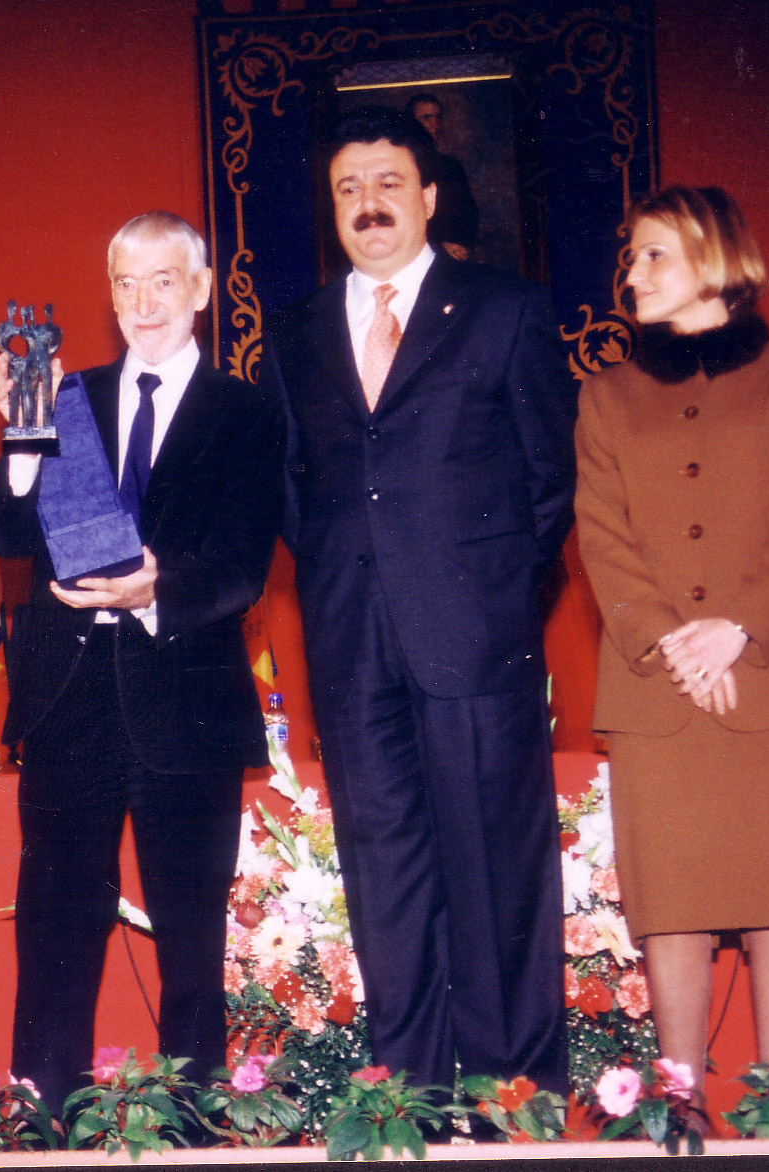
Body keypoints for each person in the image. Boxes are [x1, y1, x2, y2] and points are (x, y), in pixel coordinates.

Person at [258, 107, 575, 1095]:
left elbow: (549, 482)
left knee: (496, 874)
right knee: (385, 877)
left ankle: (513, 1100)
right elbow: (292, 487)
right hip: (352, 645)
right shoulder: (297, 330)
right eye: (348, 188)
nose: (369, 205)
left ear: (430, 197)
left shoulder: (505, 309)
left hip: (477, 639)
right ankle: (414, 1098)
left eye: (389, 183)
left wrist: (489, 595)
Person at [0, 211, 284, 1109]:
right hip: (67, 699)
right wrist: (25, 435)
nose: (144, 303)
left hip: (187, 700)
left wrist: (155, 590)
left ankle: (192, 1126)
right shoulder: (65, 394)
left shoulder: (247, 411)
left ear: (201, 290)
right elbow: (7, 531)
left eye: (163, 281)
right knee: (54, 936)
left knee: (192, 944)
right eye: (126, 284)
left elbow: (243, 567)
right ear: (109, 296)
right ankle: (46, 1126)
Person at [574, 186, 769, 1117]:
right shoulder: (606, 396)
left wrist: (737, 628)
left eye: (653, 254)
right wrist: (669, 640)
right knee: (673, 909)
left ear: (715, 258)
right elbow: (601, 534)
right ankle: (676, 1114)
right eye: (632, 257)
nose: (633, 274)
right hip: (656, 688)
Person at [406, 94, 479, 261]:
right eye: (427, 118)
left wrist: (461, 245)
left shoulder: (451, 166)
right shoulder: (399, 167)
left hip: (455, 255)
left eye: (437, 117)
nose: (434, 123)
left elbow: (468, 214)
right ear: (411, 122)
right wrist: (438, 247)